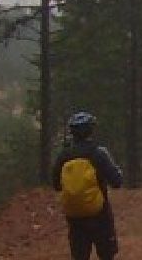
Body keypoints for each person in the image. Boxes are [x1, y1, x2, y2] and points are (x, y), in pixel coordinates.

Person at [52, 111, 125, 260]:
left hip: (74, 216)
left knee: (79, 256)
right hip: (100, 215)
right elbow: (117, 182)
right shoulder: (99, 153)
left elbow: (56, 185)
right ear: (91, 130)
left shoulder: (64, 156)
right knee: (106, 254)